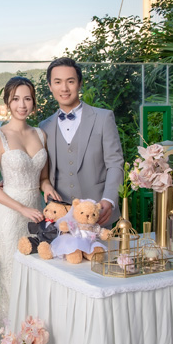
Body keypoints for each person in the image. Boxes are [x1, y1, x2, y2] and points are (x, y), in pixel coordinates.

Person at [0, 76, 56, 323]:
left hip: (36, 215)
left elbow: (42, 178)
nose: (22, 105)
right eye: (16, 99)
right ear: (7, 102)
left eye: (27, 99)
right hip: (8, 217)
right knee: (11, 285)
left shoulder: (40, 134)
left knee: (36, 281)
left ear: (34, 103)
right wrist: (22, 208)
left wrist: (47, 189)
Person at [40, 57, 124, 227]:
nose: (64, 88)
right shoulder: (44, 127)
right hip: (61, 218)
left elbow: (115, 163)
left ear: (79, 83)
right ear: (50, 86)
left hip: (98, 214)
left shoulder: (103, 118)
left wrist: (108, 200)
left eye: (70, 81)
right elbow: (40, 169)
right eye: (57, 82)